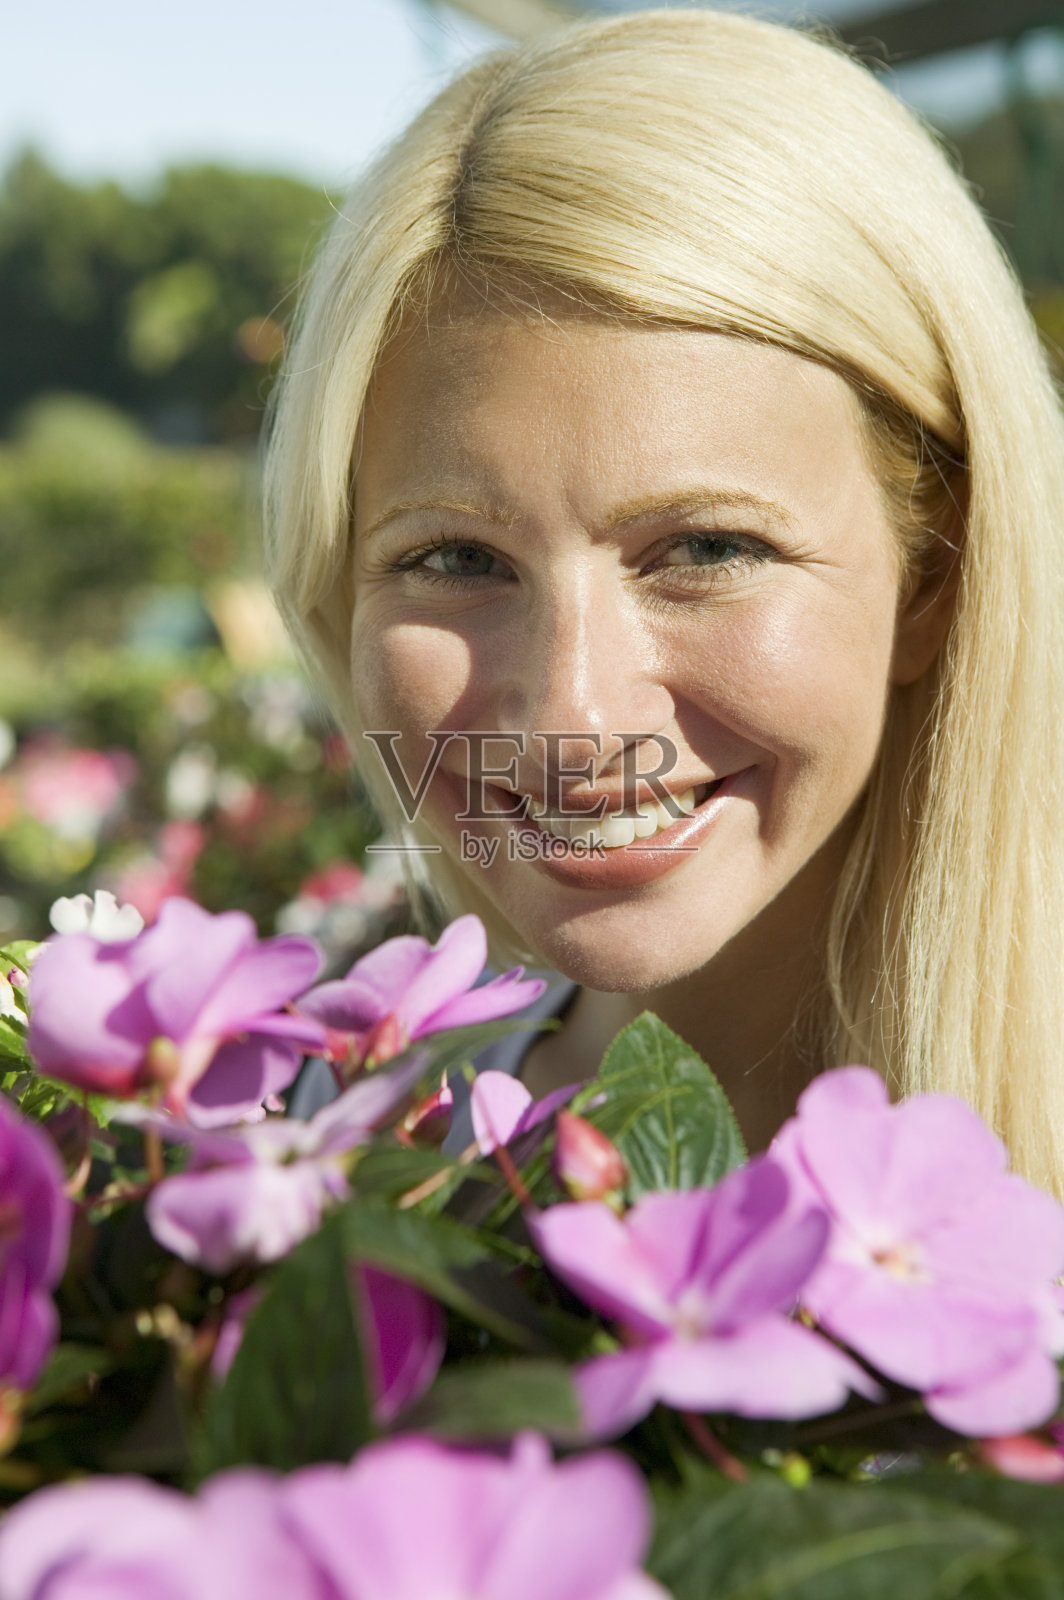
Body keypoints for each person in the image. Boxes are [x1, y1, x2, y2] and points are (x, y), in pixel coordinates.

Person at [265, 8, 1064, 1189]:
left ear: (933, 573)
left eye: (701, 547)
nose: (571, 726)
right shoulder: (319, 1174)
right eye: (455, 559)